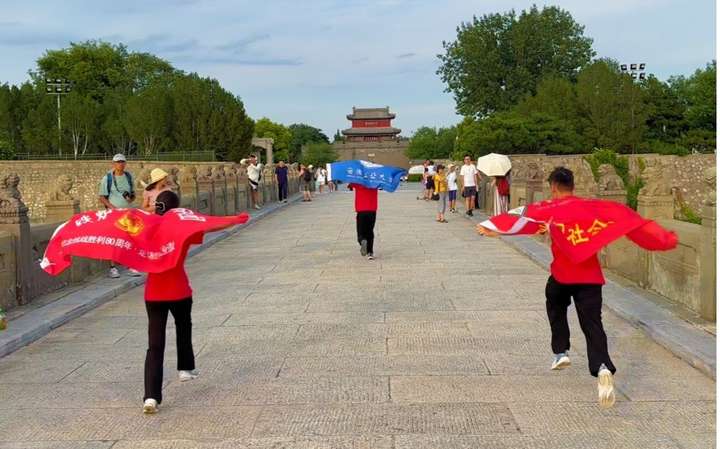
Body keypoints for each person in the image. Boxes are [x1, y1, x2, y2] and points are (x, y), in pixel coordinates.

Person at [476, 167, 677, 409]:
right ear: (572, 185)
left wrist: (492, 227)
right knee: (593, 324)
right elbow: (631, 220)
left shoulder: (549, 209)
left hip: (562, 275)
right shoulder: (594, 207)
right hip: (591, 278)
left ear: (553, 186)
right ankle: (602, 367)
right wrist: (666, 239)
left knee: (555, 304)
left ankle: (561, 352)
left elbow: (522, 218)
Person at [142, 190, 198, 414]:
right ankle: (185, 368)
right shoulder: (182, 227)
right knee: (183, 326)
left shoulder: (145, 228)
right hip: (179, 289)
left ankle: (150, 397)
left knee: (155, 344)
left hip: (154, 292)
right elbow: (204, 227)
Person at [98, 153, 140, 278]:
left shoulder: (129, 177)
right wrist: (112, 208)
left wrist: (130, 198)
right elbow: (102, 197)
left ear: (125, 163)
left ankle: (130, 265)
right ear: (113, 163)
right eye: (118, 162)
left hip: (127, 213)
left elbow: (133, 195)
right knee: (114, 239)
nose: (120, 164)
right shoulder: (107, 178)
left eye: (122, 161)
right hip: (114, 214)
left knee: (130, 239)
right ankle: (113, 268)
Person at [349, 182, 378, 260]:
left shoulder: (358, 182)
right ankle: (370, 252)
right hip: (372, 210)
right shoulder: (375, 182)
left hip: (361, 210)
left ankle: (362, 240)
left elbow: (350, 185)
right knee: (370, 231)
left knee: (361, 231)